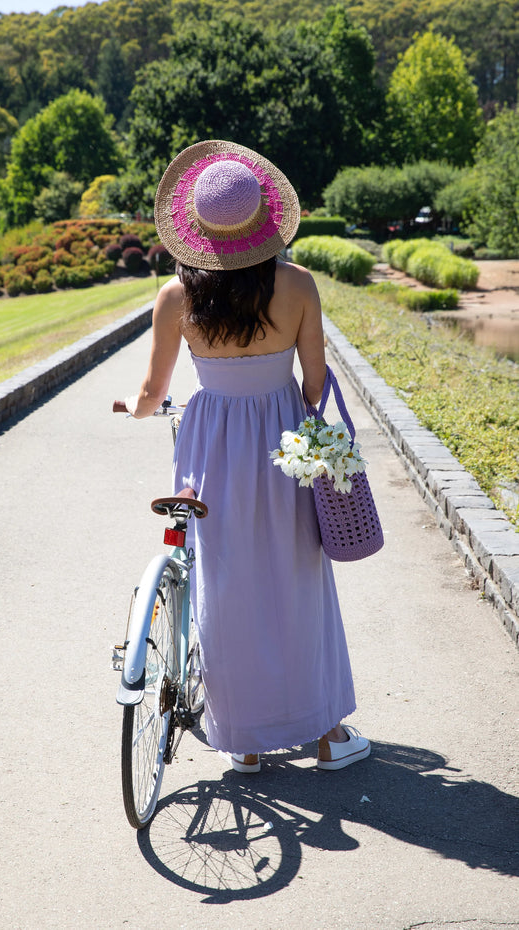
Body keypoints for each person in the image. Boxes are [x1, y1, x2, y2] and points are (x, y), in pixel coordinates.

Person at [122, 140, 370, 774]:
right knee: (297, 581)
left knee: (224, 586)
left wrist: (133, 404)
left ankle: (246, 741)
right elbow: (316, 386)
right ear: (264, 219)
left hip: (211, 448)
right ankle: (325, 735)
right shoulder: (298, 286)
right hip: (286, 444)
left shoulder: (176, 298)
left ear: (195, 226)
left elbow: (153, 396)